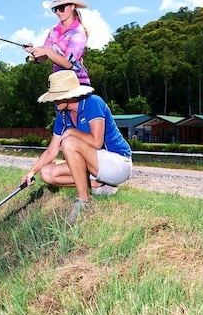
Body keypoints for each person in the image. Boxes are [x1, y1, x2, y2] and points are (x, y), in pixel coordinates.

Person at [20, 70, 132, 220]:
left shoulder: (93, 103)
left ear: (69, 95)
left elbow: (96, 142)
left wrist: (71, 132)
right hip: (95, 168)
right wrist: (31, 172)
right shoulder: (63, 116)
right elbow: (52, 150)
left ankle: (84, 201)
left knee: (69, 141)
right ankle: (99, 185)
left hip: (118, 164)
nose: (54, 101)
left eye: (56, 97)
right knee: (46, 173)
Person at [24, 0, 91, 85]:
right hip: (59, 83)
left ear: (72, 6)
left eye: (61, 8)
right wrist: (35, 52)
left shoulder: (78, 32)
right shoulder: (53, 31)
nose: (58, 12)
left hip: (77, 83)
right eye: (55, 9)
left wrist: (46, 50)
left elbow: (68, 63)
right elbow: (44, 57)